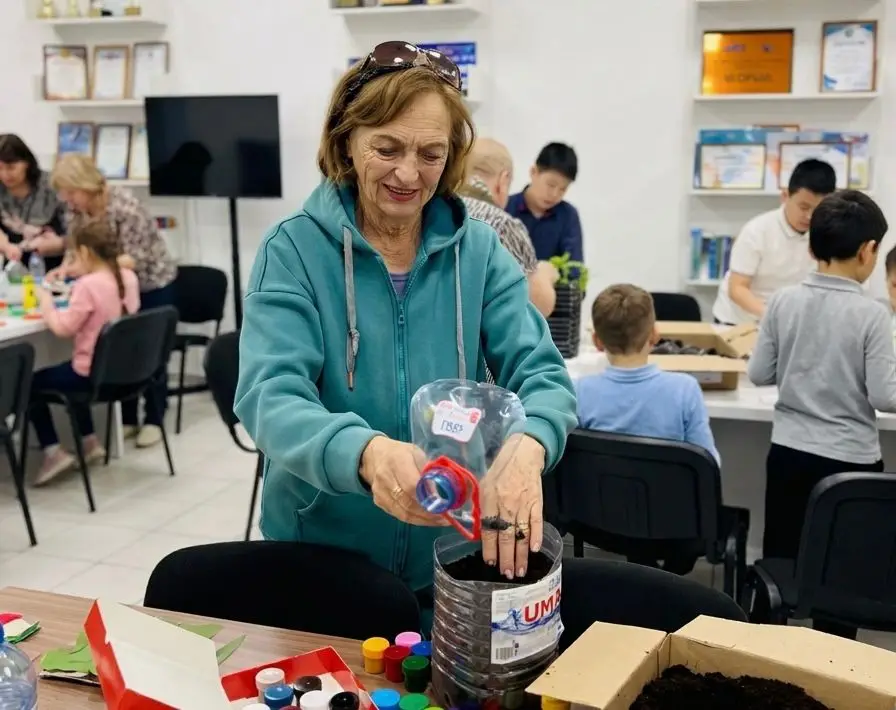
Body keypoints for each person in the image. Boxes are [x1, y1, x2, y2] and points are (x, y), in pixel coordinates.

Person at [235, 41, 577, 606]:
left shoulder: (480, 252)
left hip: (442, 558)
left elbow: (543, 372)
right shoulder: (292, 249)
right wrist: (366, 454)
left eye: (430, 154)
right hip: (318, 561)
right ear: (347, 141)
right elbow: (270, 397)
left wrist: (530, 443)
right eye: (386, 148)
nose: (407, 174)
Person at [748, 192, 895, 638]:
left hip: (789, 456)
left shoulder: (782, 301)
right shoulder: (873, 315)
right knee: (840, 582)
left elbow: (759, 373)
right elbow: (886, 395)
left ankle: (774, 660)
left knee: (785, 568)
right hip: (849, 465)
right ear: (869, 251)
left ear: (812, 247)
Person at [575, 284, 719, 575]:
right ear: (654, 335)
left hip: (599, 524)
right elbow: (710, 468)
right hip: (675, 529)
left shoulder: (580, 392)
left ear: (597, 340)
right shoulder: (684, 390)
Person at [49, 154, 177, 449]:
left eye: (71, 192)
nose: (68, 200)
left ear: (86, 184)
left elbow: (138, 256)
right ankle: (128, 419)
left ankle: (155, 418)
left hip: (149, 282)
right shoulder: (74, 212)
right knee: (121, 351)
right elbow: (75, 246)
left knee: (149, 353)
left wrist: (96, 268)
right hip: (110, 284)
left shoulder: (125, 206)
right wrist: (69, 266)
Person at [29, 220, 140, 485]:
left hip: (90, 375)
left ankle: (53, 451)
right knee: (67, 369)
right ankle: (88, 441)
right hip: (122, 373)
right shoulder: (128, 277)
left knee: (29, 384)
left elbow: (62, 327)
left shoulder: (88, 286)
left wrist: (46, 303)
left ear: (86, 254)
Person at [712, 159, 837, 325]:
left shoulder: (828, 234)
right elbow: (737, 289)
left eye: (818, 209)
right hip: (740, 320)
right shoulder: (757, 230)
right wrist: (772, 317)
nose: (809, 216)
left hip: (789, 322)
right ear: (785, 196)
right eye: (804, 207)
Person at [458, 137, 557, 316]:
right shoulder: (502, 224)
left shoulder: (433, 212)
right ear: (503, 181)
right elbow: (536, 305)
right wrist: (545, 274)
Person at [505, 142, 583, 263]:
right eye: (551, 185)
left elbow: (574, 268)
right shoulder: (505, 207)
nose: (555, 194)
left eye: (563, 189)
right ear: (533, 172)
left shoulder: (568, 216)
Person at [0, 134, 66, 270]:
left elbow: (78, 231)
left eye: (11, 167)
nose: (5, 174)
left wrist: (60, 244)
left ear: (26, 163)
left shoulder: (52, 185)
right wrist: (5, 246)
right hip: (15, 265)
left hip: (55, 265)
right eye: (0, 168)